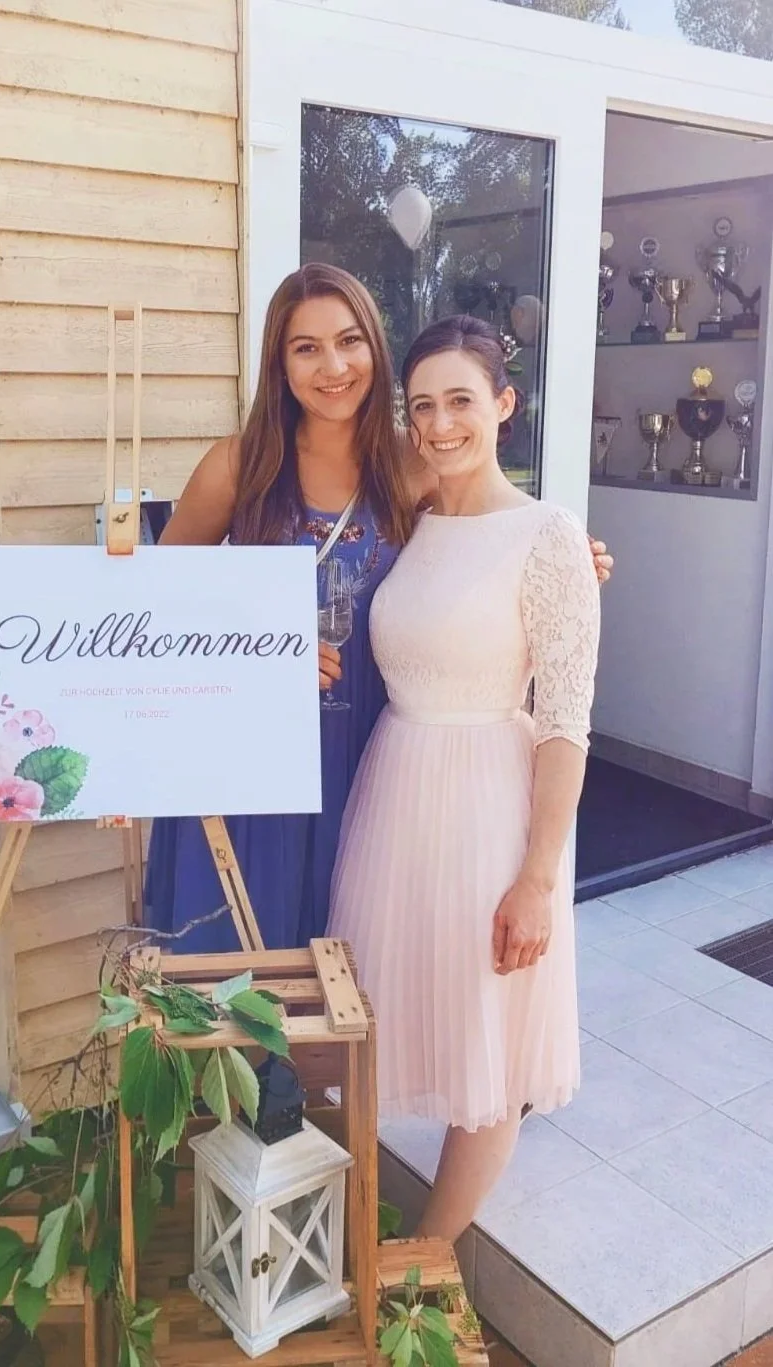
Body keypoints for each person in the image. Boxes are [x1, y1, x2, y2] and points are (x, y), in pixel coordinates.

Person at [144, 264, 611, 952]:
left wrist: (568, 562)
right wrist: (258, 652)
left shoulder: (413, 466)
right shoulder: (237, 467)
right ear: (279, 362)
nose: (332, 366)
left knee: (350, 978)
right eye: (305, 347)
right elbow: (153, 610)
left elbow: (485, 542)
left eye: (349, 340)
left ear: (375, 351)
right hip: (251, 753)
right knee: (228, 971)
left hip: (370, 760)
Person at [328, 314, 601, 1243]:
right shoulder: (414, 518)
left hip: (492, 800)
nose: (440, 424)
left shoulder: (549, 534)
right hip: (396, 793)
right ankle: (353, 1230)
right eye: (421, 407)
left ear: (504, 407)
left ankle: (424, 1260)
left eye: (460, 402)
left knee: (489, 1039)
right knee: (383, 1013)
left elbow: (566, 722)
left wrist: (536, 877)